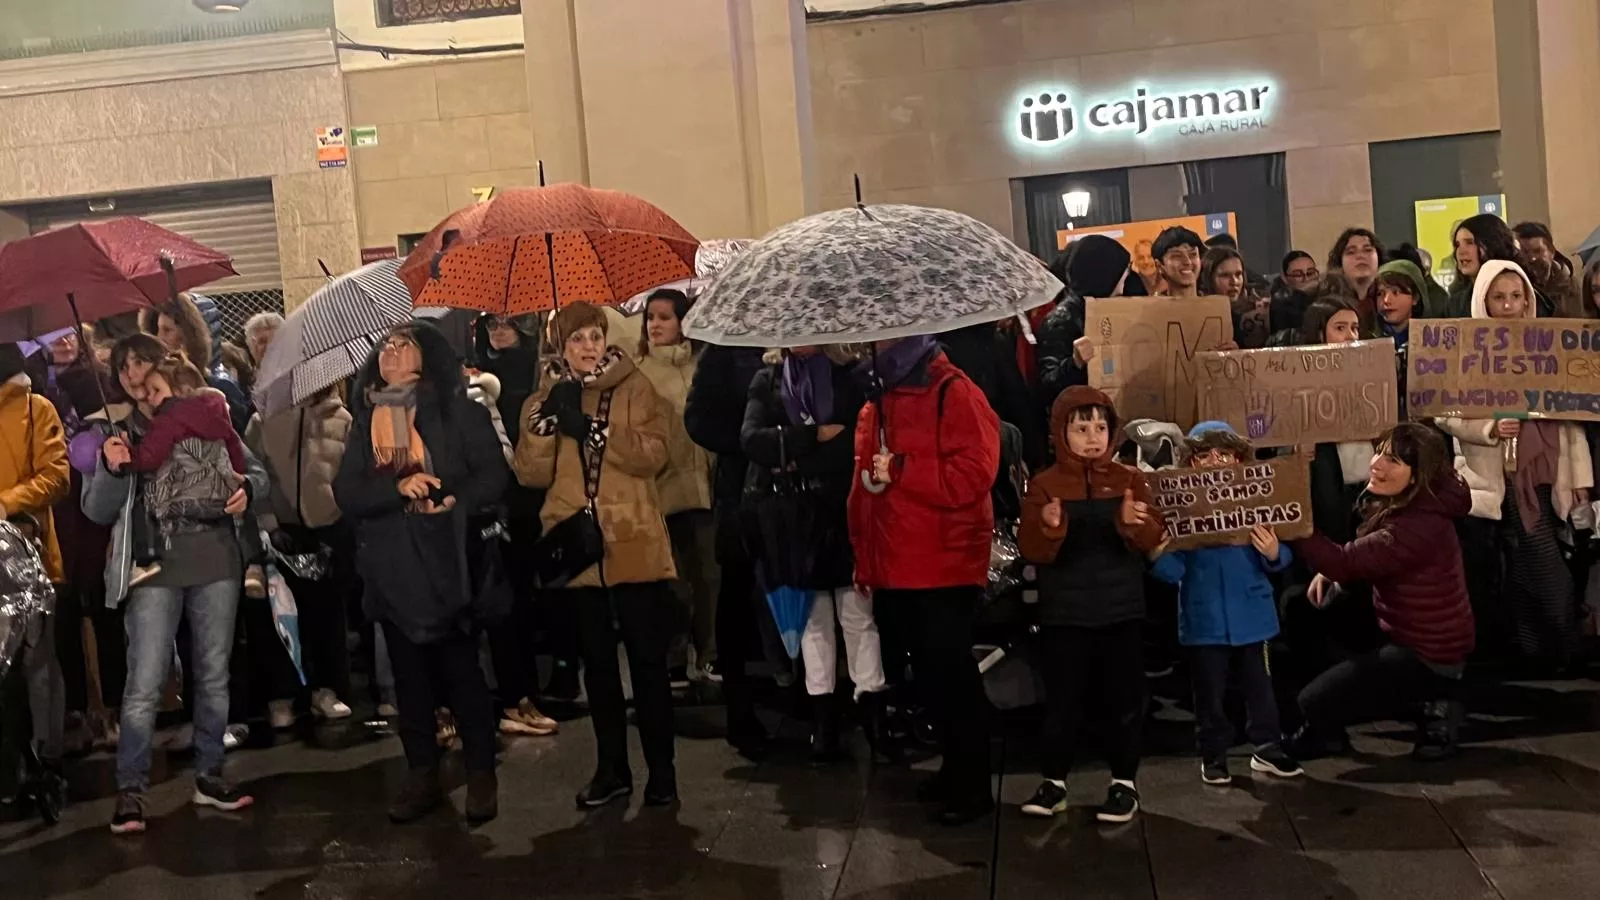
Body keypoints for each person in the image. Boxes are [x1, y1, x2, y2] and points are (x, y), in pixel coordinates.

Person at [86, 334, 264, 835]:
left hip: (215, 558)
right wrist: (110, 466)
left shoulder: (205, 411)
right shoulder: (118, 432)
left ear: (162, 367)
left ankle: (209, 775)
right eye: (124, 368)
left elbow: (255, 471)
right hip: (153, 567)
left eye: (143, 362)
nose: (135, 375)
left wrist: (249, 488)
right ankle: (131, 789)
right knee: (144, 681)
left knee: (212, 673)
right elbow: (96, 511)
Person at [334, 321, 510, 825]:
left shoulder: (461, 412)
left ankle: (480, 774)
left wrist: (454, 501)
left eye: (402, 344)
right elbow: (348, 494)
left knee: (461, 671)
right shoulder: (366, 418)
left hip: (447, 558)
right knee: (409, 680)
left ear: (427, 355)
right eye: (384, 344)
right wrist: (397, 489)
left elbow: (493, 477)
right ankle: (422, 774)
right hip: (392, 566)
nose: (389, 350)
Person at [513, 302, 679, 810]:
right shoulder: (543, 400)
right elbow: (528, 475)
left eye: (593, 336)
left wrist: (592, 430)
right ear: (559, 347)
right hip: (578, 549)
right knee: (599, 669)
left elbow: (655, 455)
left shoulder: (636, 387)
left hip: (633, 541)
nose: (587, 347)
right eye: (575, 339)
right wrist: (551, 417)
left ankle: (662, 772)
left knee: (648, 665)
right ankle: (612, 771)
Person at [849, 335, 999, 826]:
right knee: (930, 676)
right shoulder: (878, 395)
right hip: (898, 559)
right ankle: (954, 771)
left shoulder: (952, 390)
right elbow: (866, 486)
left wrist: (904, 469)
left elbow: (975, 473)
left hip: (944, 559)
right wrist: (865, 557)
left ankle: (973, 783)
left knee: (951, 674)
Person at [1016, 385, 1164, 822]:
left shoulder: (1128, 479)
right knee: (1062, 701)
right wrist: (1049, 527)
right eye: (1082, 428)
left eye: (1101, 427)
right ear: (1061, 432)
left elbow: (1153, 538)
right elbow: (1032, 549)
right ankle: (1054, 783)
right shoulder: (1044, 484)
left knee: (1123, 701)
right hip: (1065, 614)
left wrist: (1132, 526)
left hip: (1121, 612)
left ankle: (1124, 783)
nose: (1093, 436)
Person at [1436, 261, 1592, 668]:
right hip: (1491, 475)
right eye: (1498, 296)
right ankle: (1537, 648)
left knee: (1540, 552)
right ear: (1483, 299)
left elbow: (1571, 415)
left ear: (1528, 299)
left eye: (1516, 296)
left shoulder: (1550, 344)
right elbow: (1442, 410)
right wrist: (1489, 426)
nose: (1508, 305)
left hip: (1544, 469)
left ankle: (1561, 648)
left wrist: (1581, 479)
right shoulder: (1463, 348)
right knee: (1520, 560)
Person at [1291, 423, 1475, 760]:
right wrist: (1336, 575)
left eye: (1392, 460)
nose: (1376, 463)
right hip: (1401, 630)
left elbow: (1344, 560)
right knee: (1299, 605)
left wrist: (1293, 522)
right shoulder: (1416, 502)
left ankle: (1439, 699)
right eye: (1379, 452)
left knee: (1312, 701)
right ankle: (1334, 716)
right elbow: (1357, 560)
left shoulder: (1418, 524)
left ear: (1418, 474)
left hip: (1427, 655)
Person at [742, 344, 885, 765]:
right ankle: (822, 725)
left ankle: (873, 717)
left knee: (858, 615)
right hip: (794, 519)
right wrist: (810, 437)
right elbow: (751, 440)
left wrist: (790, 456)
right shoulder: (767, 380)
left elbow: (855, 442)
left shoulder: (852, 375)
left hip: (844, 510)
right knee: (812, 619)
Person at [1151, 422, 1301, 785]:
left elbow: (1282, 553)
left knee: (1260, 688)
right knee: (1209, 695)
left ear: (1239, 460)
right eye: (1204, 456)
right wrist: (1158, 552)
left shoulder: (1256, 502)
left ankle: (1267, 746)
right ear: (1191, 464)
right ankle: (1213, 754)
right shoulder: (1186, 513)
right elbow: (1172, 572)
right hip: (1205, 620)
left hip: (1254, 616)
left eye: (1224, 455)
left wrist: (1273, 551)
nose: (1215, 463)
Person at [249, 384, 356, 721]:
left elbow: (350, 475)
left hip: (327, 527)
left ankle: (326, 688)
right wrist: (268, 522)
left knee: (326, 615)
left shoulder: (343, 419)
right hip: (281, 528)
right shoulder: (263, 419)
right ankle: (283, 694)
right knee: (280, 616)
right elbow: (253, 470)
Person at [685, 344, 769, 759]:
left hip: (801, 489)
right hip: (740, 490)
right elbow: (697, 420)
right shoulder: (725, 351)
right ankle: (741, 708)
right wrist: (748, 438)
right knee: (737, 593)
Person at [635, 289, 719, 685]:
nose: (655, 324)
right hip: (660, 491)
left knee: (708, 577)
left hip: (704, 488)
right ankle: (673, 659)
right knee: (671, 582)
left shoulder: (704, 366)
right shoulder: (639, 373)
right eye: (651, 317)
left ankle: (711, 654)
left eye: (665, 317)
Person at [0, 342, 70, 789]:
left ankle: (46, 760)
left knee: (37, 664)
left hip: (26, 558)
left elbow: (57, 476)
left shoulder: (35, 408)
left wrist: (5, 504)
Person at [1035, 235, 1133, 412]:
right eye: (1123, 273)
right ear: (1106, 273)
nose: (1126, 276)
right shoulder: (1062, 320)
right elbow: (1048, 385)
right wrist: (1075, 363)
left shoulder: (1106, 310)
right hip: (1081, 421)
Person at [141, 294, 252, 434]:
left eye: (167, 330)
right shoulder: (159, 384)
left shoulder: (220, 385)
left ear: (189, 335)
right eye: (157, 330)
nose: (159, 338)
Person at [1376, 259, 1428, 419]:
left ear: (1415, 298)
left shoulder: (1432, 342)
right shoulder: (1370, 342)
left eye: (1396, 292)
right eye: (1380, 294)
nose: (1386, 301)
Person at [1443, 214, 1520, 318]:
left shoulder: (1529, 295)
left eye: (1470, 242)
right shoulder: (1455, 305)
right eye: (1457, 245)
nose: (1461, 251)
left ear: (1493, 244)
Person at [1513, 221, 1578, 317]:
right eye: (1525, 252)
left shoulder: (1573, 288)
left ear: (1551, 251)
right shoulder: (1512, 288)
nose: (1532, 258)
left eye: (1537, 251)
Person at [1327, 228, 1384, 335]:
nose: (1360, 256)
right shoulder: (1327, 304)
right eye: (1351, 252)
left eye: (1367, 250)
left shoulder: (1389, 299)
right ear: (1340, 263)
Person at [1151, 226, 1205, 298]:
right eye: (1177, 256)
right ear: (1159, 266)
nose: (1187, 262)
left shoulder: (1216, 305)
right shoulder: (1152, 308)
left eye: (1193, 254)